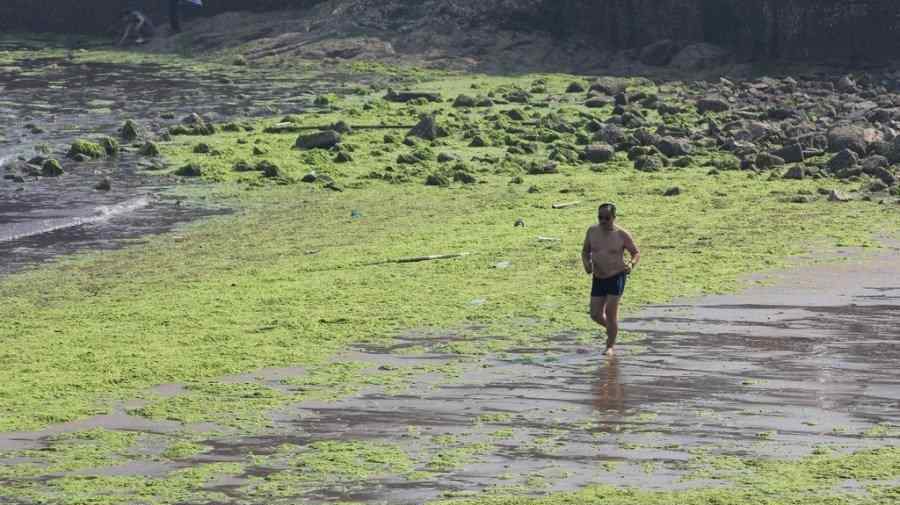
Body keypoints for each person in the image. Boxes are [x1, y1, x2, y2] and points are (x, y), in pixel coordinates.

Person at [581, 203, 640, 356]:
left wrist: (631, 264)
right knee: (595, 314)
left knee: (610, 312)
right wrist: (586, 264)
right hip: (599, 277)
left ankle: (609, 346)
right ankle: (613, 329)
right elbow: (585, 251)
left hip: (616, 276)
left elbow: (635, 252)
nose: (603, 221)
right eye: (600, 217)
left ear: (614, 217)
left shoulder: (621, 234)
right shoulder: (592, 231)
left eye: (607, 218)